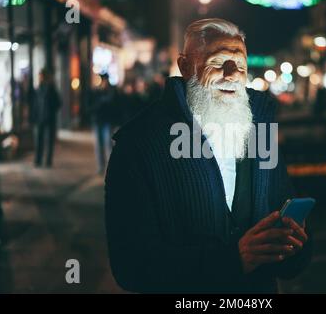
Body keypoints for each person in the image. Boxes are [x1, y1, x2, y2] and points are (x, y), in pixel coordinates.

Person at [105, 18, 312, 293]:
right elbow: (130, 267)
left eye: (239, 65)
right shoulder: (139, 144)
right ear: (185, 66)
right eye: (218, 62)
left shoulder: (259, 131)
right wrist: (233, 260)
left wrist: (295, 246)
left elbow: (285, 252)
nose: (231, 73)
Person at [32, 68, 61, 168]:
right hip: (40, 118)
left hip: (49, 119)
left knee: (49, 141)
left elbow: (58, 103)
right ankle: (38, 160)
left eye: (41, 75)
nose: (39, 77)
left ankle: (48, 161)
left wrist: (51, 111)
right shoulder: (38, 89)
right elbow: (35, 104)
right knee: (39, 140)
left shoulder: (51, 89)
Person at [89, 74, 117, 174]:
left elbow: (115, 105)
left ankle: (110, 168)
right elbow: (91, 106)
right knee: (99, 145)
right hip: (98, 121)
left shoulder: (112, 91)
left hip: (108, 121)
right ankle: (101, 167)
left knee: (108, 144)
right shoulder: (96, 92)